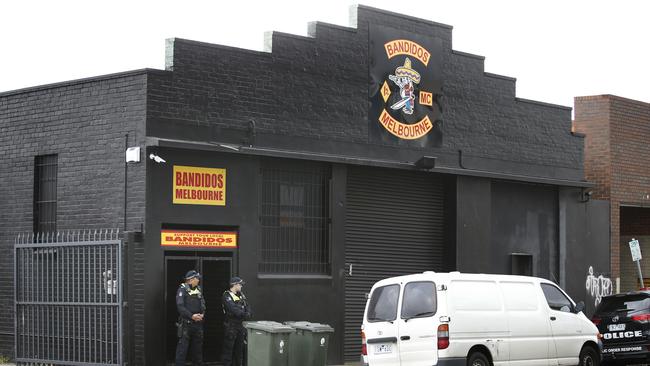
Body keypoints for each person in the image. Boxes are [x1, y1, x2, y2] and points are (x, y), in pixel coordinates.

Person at [175, 270, 206, 366]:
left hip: (198, 324)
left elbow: (203, 304)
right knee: (182, 349)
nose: (198, 280)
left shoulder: (199, 289)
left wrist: (202, 314)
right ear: (191, 279)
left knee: (197, 350)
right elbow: (180, 306)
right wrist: (192, 316)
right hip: (186, 324)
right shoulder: (182, 289)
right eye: (197, 278)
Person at [222, 276, 251, 366]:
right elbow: (233, 309)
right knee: (228, 351)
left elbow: (248, 307)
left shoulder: (241, 295)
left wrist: (247, 313)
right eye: (240, 285)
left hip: (240, 326)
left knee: (240, 350)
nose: (241, 286)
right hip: (231, 326)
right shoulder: (226, 295)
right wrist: (244, 313)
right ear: (234, 285)